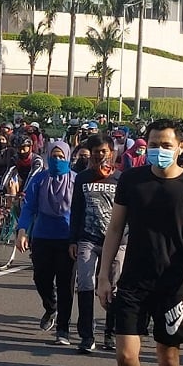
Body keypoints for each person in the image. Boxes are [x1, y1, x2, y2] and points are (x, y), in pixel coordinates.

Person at [98, 119, 183, 366]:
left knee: (168, 357)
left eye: (166, 145)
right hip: (133, 281)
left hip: (174, 284)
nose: (159, 149)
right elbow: (115, 229)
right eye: (153, 144)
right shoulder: (131, 180)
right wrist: (104, 276)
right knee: (125, 356)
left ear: (180, 147)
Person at [16, 141, 76, 346]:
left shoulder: (76, 181)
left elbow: (82, 212)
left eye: (61, 157)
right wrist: (22, 231)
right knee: (41, 278)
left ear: (68, 157)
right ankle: (51, 307)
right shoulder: (39, 180)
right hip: (42, 236)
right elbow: (28, 207)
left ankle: (63, 329)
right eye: (54, 156)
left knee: (65, 284)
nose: (57, 160)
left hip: (67, 239)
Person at [69, 134, 125, 353]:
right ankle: (86, 335)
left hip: (118, 242)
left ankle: (109, 334)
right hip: (88, 239)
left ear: (111, 152)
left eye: (104, 151)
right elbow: (76, 211)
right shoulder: (82, 179)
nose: (100, 156)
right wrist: (72, 240)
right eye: (95, 152)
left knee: (114, 287)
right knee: (85, 283)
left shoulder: (121, 179)